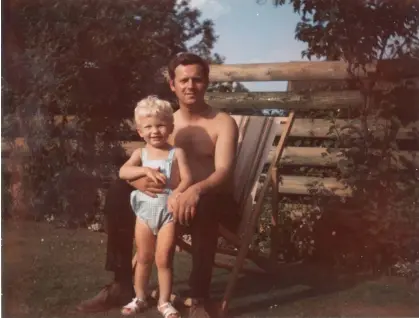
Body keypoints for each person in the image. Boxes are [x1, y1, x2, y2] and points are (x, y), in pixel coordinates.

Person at [77, 52, 240, 317]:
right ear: (172, 85)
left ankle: (199, 297)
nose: (190, 85)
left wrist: (194, 190)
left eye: (197, 79)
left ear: (206, 82)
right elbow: (147, 161)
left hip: (210, 198)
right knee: (119, 192)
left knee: (207, 203)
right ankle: (121, 284)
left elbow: (223, 171)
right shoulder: (166, 123)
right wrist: (140, 181)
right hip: (165, 200)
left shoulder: (222, 123)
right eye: (183, 80)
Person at [119, 96, 192, 317]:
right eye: (148, 127)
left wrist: (177, 194)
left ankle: (163, 302)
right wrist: (144, 171)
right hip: (144, 214)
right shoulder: (139, 154)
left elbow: (188, 179)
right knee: (143, 257)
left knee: (164, 258)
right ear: (140, 131)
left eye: (160, 125)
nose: (155, 131)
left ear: (170, 127)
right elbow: (123, 172)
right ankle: (139, 298)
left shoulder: (176, 153)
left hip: (167, 213)